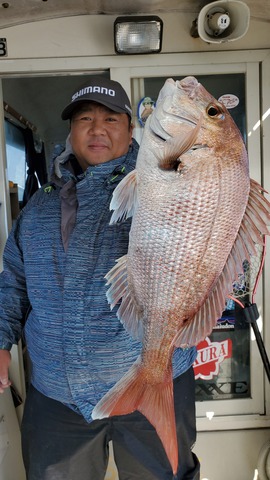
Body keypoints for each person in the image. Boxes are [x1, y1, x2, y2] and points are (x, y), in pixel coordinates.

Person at [0, 76, 200, 480]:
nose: (97, 128)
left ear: (131, 130)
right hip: (57, 395)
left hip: (155, 384)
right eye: (85, 118)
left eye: (111, 118)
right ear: (71, 132)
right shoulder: (38, 209)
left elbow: (201, 243)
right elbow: (14, 284)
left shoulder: (165, 188)